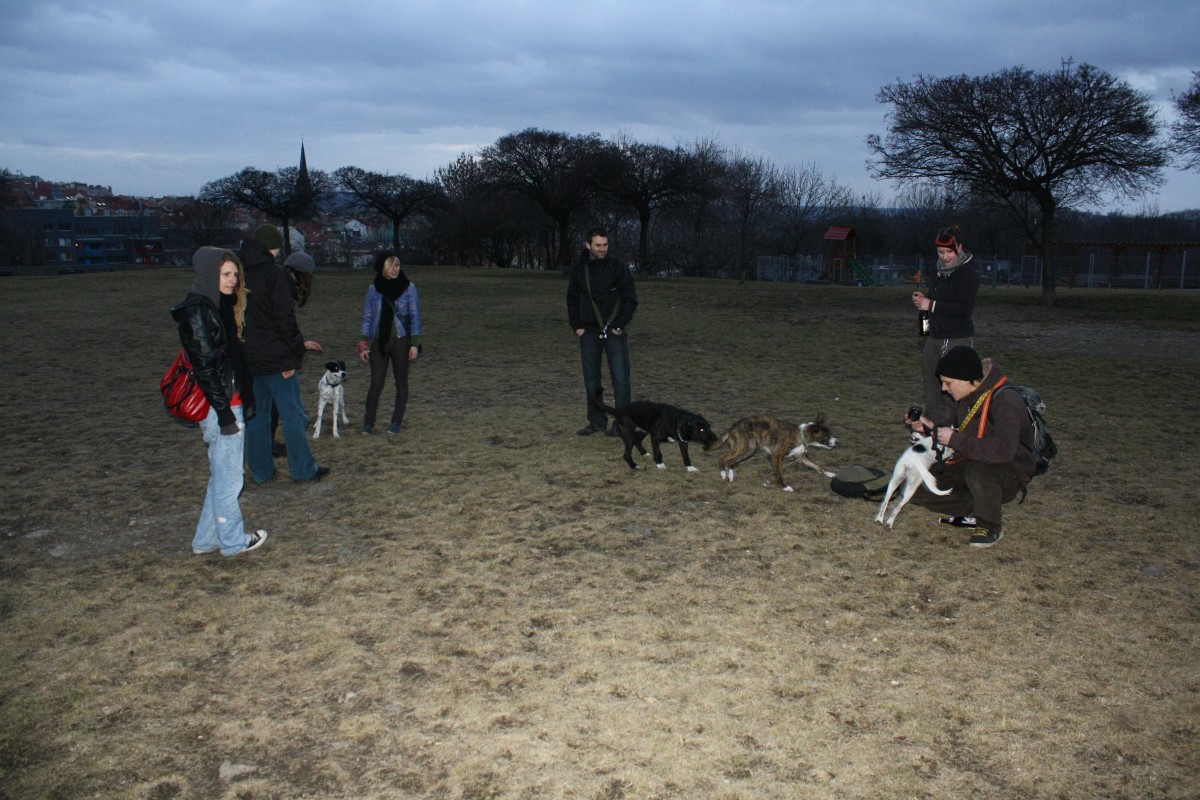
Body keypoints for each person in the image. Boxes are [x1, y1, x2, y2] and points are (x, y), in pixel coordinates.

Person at [170, 247, 268, 556]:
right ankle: (233, 542)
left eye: (235, 274)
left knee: (222, 477)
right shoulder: (198, 312)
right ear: (209, 274)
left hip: (228, 401)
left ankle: (205, 540)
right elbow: (205, 369)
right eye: (225, 274)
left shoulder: (216, 306)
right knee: (230, 480)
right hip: (221, 406)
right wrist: (225, 414)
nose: (232, 280)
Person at [904, 346, 1036, 548]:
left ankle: (989, 525)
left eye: (948, 383)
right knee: (915, 483)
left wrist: (955, 440)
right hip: (970, 459)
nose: (944, 389)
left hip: (1008, 471)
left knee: (978, 471)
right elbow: (953, 425)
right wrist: (929, 427)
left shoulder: (1005, 401)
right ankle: (978, 503)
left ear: (967, 379)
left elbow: (1004, 450)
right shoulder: (967, 395)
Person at [239, 224, 330, 483]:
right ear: (273, 247)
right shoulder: (275, 275)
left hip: (249, 358)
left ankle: (261, 472)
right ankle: (303, 469)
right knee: (294, 416)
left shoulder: (240, 274)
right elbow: (284, 320)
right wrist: (298, 347)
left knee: (257, 417)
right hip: (278, 360)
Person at [566, 226, 638, 435]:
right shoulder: (579, 270)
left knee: (621, 380)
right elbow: (572, 299)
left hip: (614, 332)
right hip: (588, 332)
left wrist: (619, 325)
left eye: (605, 245)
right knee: (591, 381)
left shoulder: (618, 268)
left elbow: (630, 299)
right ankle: (597, 422)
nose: (602, 249)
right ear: (588, 245)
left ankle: (622, 424)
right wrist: (577, 327)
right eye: (598, 245)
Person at [911, 225, 979, 425]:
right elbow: (933, 304)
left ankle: (958, 430)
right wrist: (923, 306)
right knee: (932, 387)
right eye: (940, 252)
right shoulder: (938, 271)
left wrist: (931, 304)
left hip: (957, 339)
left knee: (954, 389)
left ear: (959, 248)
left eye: (949, 252)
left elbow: (964, 309)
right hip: (934, 339)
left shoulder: (967, 273)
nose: (945, 256)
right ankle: (933, 428)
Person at [357, 252, 422, 434]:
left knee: (401, 383)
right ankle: (368, 423)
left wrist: (415, 343)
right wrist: (363, 344)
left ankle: (396, 422)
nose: (395, 269)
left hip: (401, 341)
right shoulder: (373, 289)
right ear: (383, 268)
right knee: (376, 382)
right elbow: (367, 317)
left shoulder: (409, 288)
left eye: (397, 265)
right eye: (391, 265)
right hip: (379, 342)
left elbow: (415, 316)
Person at [269, 251, 322, 457]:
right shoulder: (283, 289)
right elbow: (285, 324)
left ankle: (267, 446)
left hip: (266, 354)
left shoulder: (276, 283)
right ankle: (300, 462)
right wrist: (298, 347)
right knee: (293, 411)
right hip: (274, 357)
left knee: (269, 406)